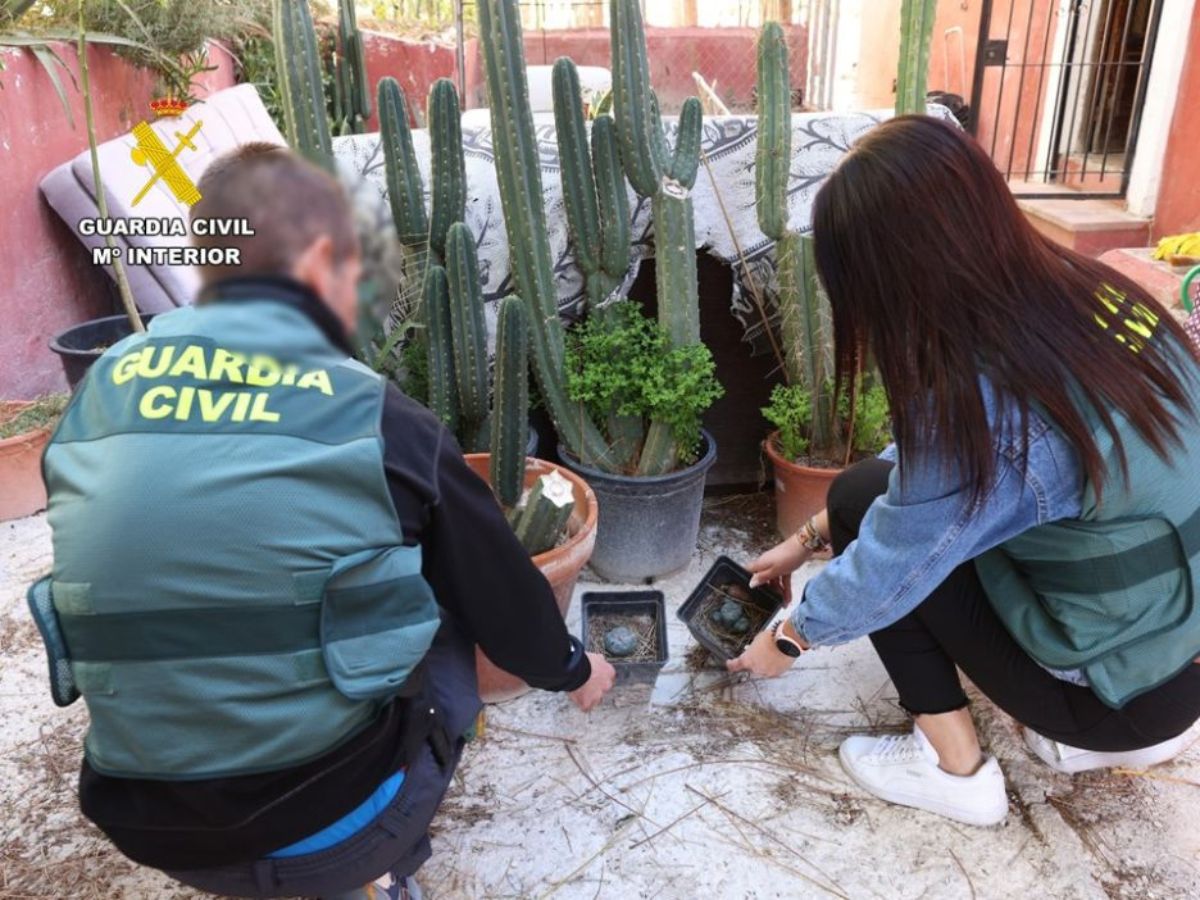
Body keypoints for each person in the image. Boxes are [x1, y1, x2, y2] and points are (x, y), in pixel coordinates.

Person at [27, 143, 615, 899]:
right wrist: (573, 669)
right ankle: (376, 872)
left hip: (147, 822)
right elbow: (505, 601)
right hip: (332, 828)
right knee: (444, 597)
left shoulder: (101, 386)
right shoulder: (371, 413)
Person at [730, 116, 1200, 827]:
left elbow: (898, 556)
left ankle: (952, 770)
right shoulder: (1092, 294)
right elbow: (939, 475)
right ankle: (1120, 727)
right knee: (862, 499)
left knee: (869, 515)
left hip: (1111, 697)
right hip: (1177, 657)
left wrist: (791, 637)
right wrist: (806, 541)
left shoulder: (977, 405)